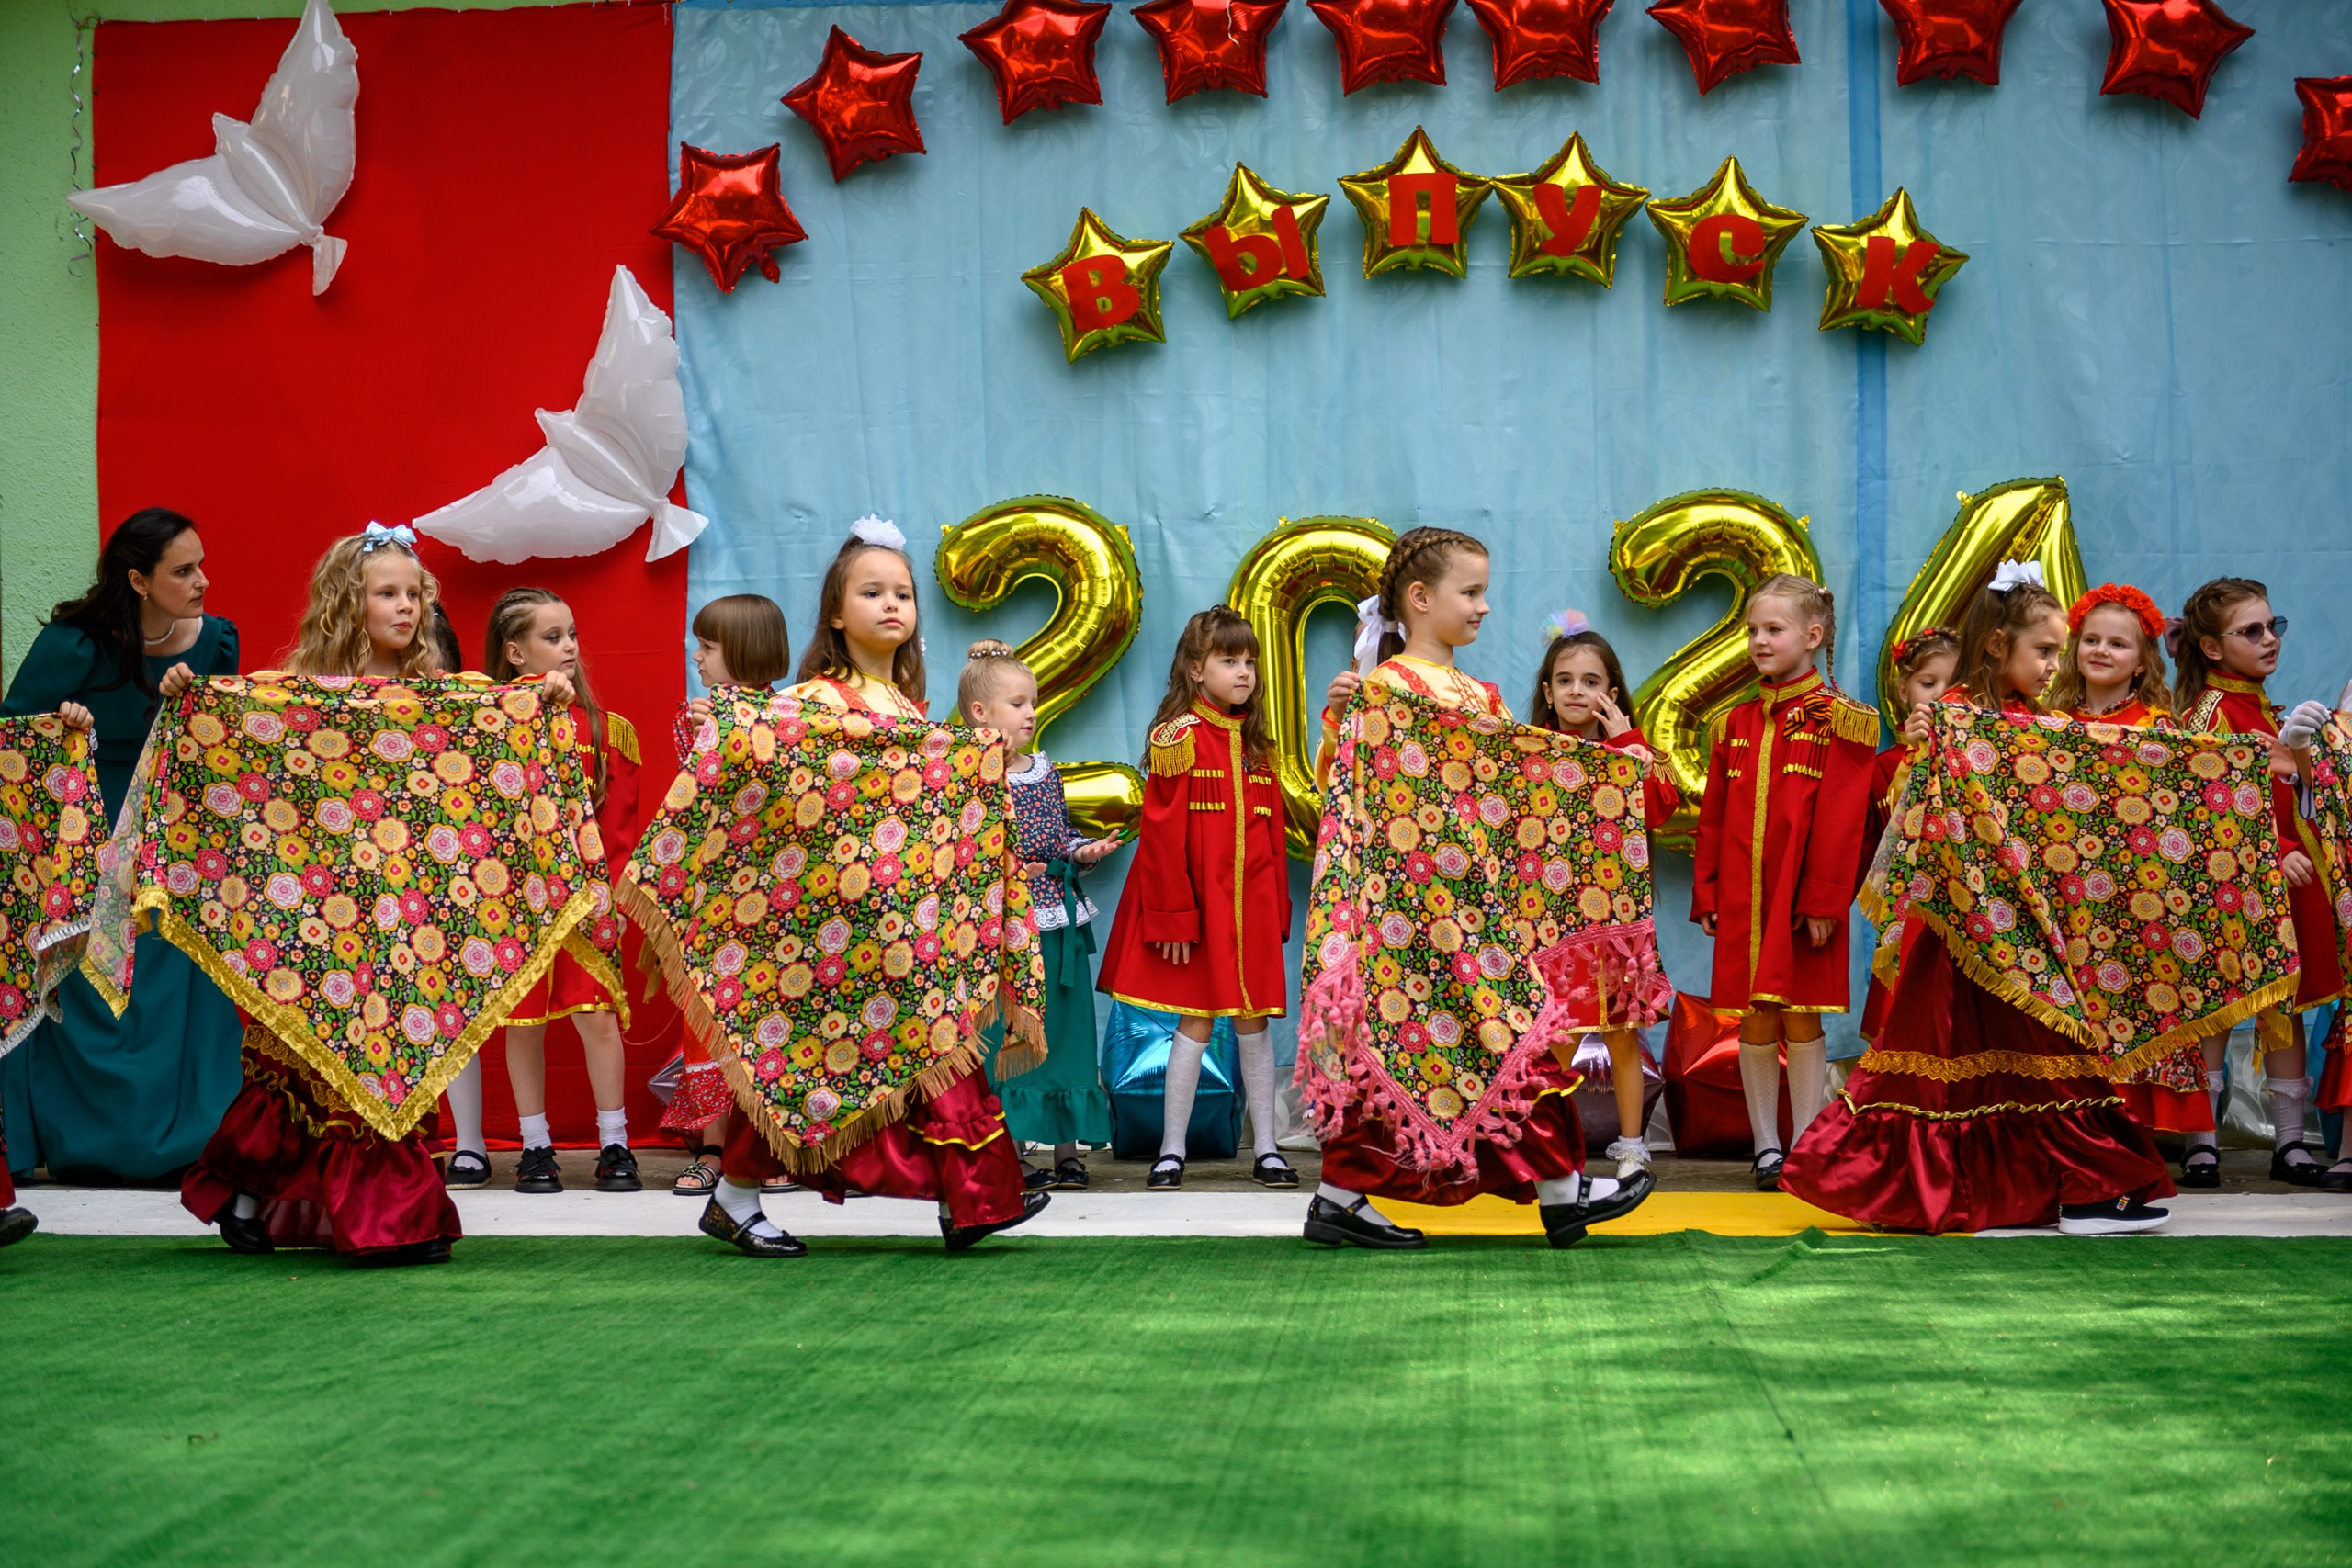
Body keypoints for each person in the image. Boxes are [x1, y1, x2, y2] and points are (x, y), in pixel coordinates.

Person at [179, 524, 565, 1264]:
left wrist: (539, 695)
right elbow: (242, 735)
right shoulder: (297, 696)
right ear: (344, 604)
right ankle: (248, 1194)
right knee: (303, 1057)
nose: (405, 606)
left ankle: (386, 1215)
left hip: (398, 913)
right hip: (316, 909)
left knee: (381, 1046)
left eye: (413, 593)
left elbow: (490, 716)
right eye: (386, 593)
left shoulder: (434, 696)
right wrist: (189, 698)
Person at [1781, 563, 2176, 1235]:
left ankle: (2027, 1187)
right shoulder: (1958, 717)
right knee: (2017, 1059)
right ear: (1999, 645)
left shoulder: (2026, 718)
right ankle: (2075, 1186)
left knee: (2018, 1064)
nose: (2057, 665)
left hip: (2009, 927)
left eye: (2059, 650)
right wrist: (1924, 750)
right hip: (1967, 930)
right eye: (2045, 650)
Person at [696, 518, 1046, 1258]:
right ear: (834, 611)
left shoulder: (910, 714)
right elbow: (776, 772)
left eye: (904, 594)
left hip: (903, 930)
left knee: (931, 1050)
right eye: (872, 591)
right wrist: (731, 722)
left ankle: (973, 1196)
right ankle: (737, 1194)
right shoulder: (816, 702)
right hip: (835, 934)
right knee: (807, 1071)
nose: (893, 604)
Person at [1301, 527, 1654, 1250]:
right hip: (1407, 921)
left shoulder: (1477, 694)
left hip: (1474, 912)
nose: (1485, 606)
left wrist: (1611, 771)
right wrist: (1344, 719)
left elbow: (1508, 792)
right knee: (1461, 1040)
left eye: (1484, 590)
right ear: (1420, 599)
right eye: (1471, 591)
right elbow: (1347, 796)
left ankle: (1349, 1198)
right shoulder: (1388, 690)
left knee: (1499, 1040)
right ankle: (1554, 1191)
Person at [0, 508, 243, 1186]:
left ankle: (193, 1138)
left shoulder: (218, 641)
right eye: (183, 570)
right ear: (138, 579)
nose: (202, 580)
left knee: (180, 976)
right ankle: (84, 1138)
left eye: (200, 564)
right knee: (90, 979)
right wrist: (63, 723)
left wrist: (197, 706)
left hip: (178, 839)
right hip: (86, 839)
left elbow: (218, 749)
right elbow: (13, 740)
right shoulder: (71, 646)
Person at [1095, 606, 1296, 1192]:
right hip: (1200, 916)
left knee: (1257, 1021)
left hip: (1252, 914)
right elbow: (1161, 841)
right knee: (1197, 1021)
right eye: (1228, 660)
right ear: (1194, 669)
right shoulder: (1178, 741)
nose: (1244, 673)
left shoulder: (1261, 750)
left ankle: (1266, 1148)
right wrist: (1174, 919)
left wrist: (1277, 915)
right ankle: (1172, 1149)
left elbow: (1275, 843)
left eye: (1249, 662)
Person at [1690, 575, 1877, 1190]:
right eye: (1752, 631)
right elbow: (1713, 818)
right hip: (1746, 900)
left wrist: (1825, 898)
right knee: (1753, 1017)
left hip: (1803, 907)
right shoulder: (1733, 724)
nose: (1759, 641)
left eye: (1773, 629)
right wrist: (1710, 891)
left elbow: (1844, 818)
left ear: (1812, 635)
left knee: (1801, 1018)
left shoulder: (1843, 722)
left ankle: (1804, 1143)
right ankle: (1766, 1146)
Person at [454, 588, 641, 1195]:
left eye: (572, 635)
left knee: (598, 1019)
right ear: (514, 652)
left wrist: (605, 892)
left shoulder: (606, 730)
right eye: (552, 637)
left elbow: (616, 830)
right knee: (523, 1023)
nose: (569, 648)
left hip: (583, 904)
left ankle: (615, 1143)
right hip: (516, 908)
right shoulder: (484, 728)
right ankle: (536, 1148)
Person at [2175, 577, 2343, 1188]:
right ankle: (2202, 1143)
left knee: (2284, 1007)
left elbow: (2288, 792)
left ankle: (2291, 1143)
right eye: (2252, 630)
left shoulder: (2262, 707)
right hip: (2229, 889)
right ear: (2213, 648)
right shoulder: (2208, 712)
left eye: (2275, 626)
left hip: (2280, 887)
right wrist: (2272, 852)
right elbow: (2208, 804)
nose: (2269, 639)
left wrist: (2305, 755)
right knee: (2216, 1009)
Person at [2045, 584, 2211, 1149]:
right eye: (2090, 639)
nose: (2100, 651)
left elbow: (2181, 823)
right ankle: (2077, 1134)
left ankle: (2134, 1139)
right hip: (2068, 904)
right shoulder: (2048, 726)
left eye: (2117, 644)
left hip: (2136, 907)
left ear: (2142, 662)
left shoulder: (2161, 731)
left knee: (2136, 1007)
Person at [1526, 609, 1680, 1177]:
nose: (1576, 691)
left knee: (1621, 1033)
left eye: (1591, 682)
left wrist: (1628, 743)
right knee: (1557, 1038)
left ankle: (1633, 1144)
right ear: (1547, 690)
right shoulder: (1533, 754)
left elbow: (1660, 809)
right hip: (1552, 924)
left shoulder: (1629, 755)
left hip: (1615, 926)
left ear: (1611, 693)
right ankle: (1550, 1144)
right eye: (1565, 681)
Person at [960, 641, 1119, 1189]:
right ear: (981, 713)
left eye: (1033, 702)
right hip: (1002, 928)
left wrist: (1081, 852)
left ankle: (1067, 1152)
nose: (1031, 712)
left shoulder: (1045, 772)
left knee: (1065, 1031)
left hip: (1059, 920)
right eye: (1017, 703)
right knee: (1007, 1034)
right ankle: (1009, 1148)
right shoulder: (966, 774)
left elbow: (1058, 837)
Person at [662, 593, 791, 1196]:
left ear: (744, 650)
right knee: (708, 1018)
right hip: (711, 897)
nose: (697, 657)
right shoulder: (692, 718)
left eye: (708, 648)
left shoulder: (792, 717)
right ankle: (714, 1150)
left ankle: (772, 1147)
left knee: (772, 1022)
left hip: (777, 898)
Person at [1856, 627, 1958, 1045]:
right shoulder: (1886, 766)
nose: (1941, 696)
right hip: (1909, 909)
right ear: (1903, 689)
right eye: (1929, 683)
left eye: (1953, 685)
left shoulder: (1975, 759)